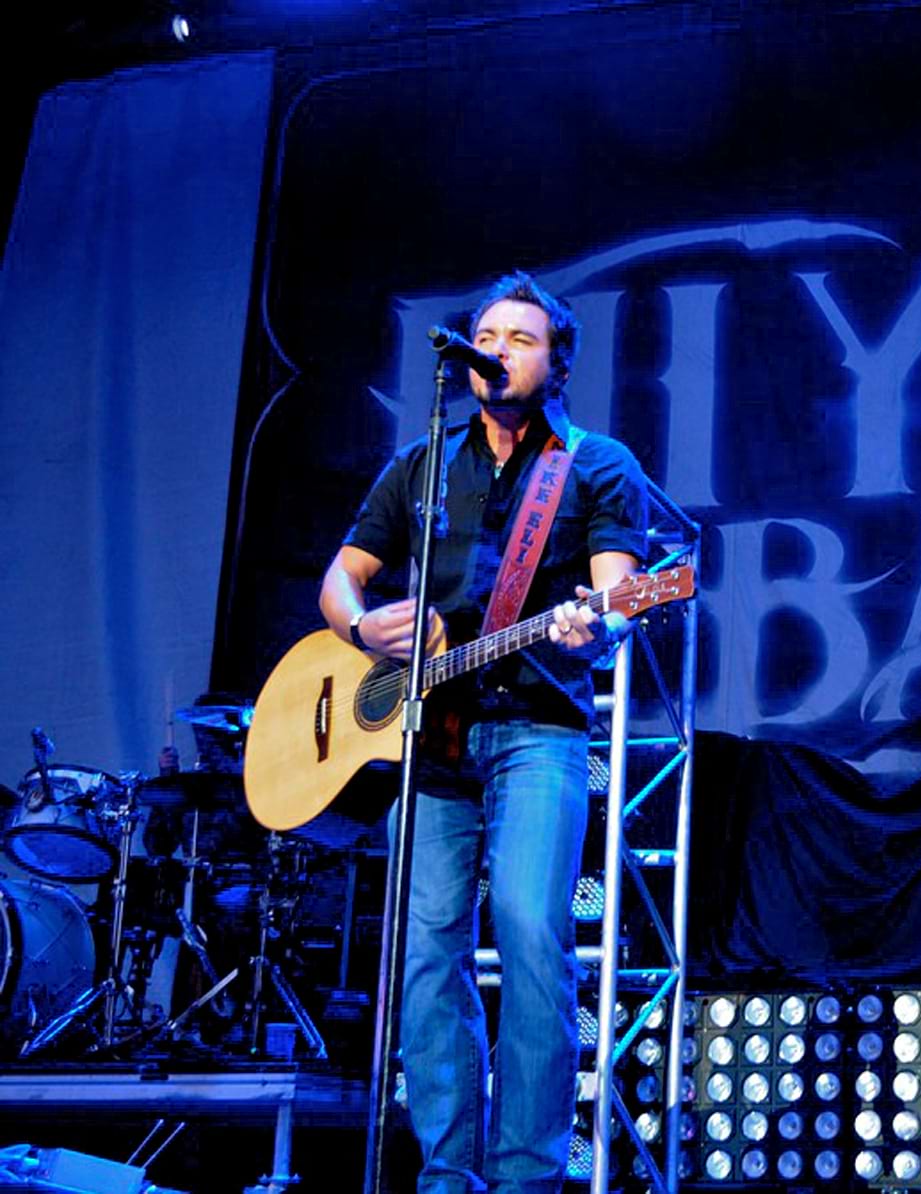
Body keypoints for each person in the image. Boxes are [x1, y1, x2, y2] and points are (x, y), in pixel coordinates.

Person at [319, 271, 649, 1193]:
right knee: (426, 951)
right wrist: (359, 627)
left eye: (521, 338)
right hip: (430, 743)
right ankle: (447, 1172)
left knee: (533, 933)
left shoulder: (594, 465)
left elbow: (621, 598)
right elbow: (339, 582)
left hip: (537, 728)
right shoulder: (422, 461)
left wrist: (604, 619)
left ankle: (526, 1177)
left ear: (558, 362)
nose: (497, 349)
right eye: (487, 335)